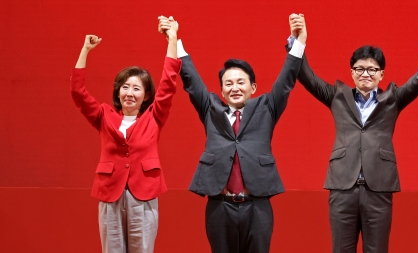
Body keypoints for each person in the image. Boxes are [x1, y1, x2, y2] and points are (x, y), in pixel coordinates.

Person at [158, 14, 306, 253]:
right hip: (219, 206)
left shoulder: (267, 107)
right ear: (222, 91)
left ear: (253, 88)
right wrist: (174, 39)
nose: (234, 88)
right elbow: (191, 79)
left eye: (240, 82)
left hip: (257, 206)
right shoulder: (211, 108)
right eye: (228, 84)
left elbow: (287, 79)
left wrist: (299, 41)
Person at [286, 14, 418, 253]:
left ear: (381, 74)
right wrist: (298, 41)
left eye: (372, 69)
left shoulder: (393, 99)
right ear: (351, 72)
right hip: (343, 188)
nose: (366, 73)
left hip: (379, 188)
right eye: (360, 69)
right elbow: (306, 76)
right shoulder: (337, 96)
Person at [71, 18, 181, 253]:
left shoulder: (154, 116)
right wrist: (85, 51)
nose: (130, 93)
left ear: (146, 94)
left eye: (136, 88)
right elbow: (78, 93)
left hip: (143, 193)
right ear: (118, 91)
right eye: (125, 87)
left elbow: (169, 83)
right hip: (111, 193)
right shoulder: (103, 115)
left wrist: (172, 39)